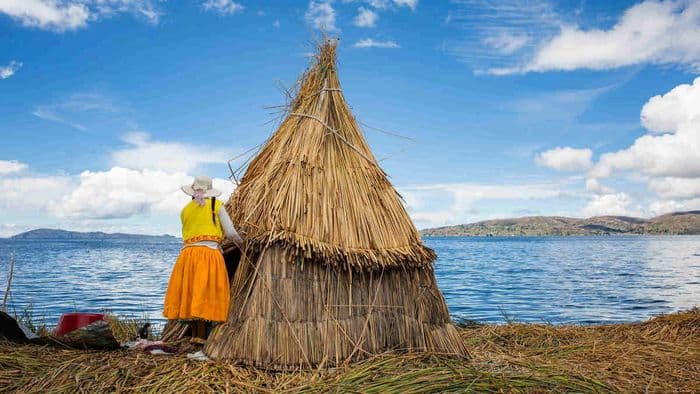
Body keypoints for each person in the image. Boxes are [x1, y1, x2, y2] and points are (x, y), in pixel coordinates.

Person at [163, 175, 243, 342]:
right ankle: (201, 337)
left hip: (187, 255)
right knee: (205, 291)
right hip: (208, 253)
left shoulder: (185, 210)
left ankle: (195, 335)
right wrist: (241, 244)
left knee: (191, 291)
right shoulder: (216, 205)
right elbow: (230, 232)